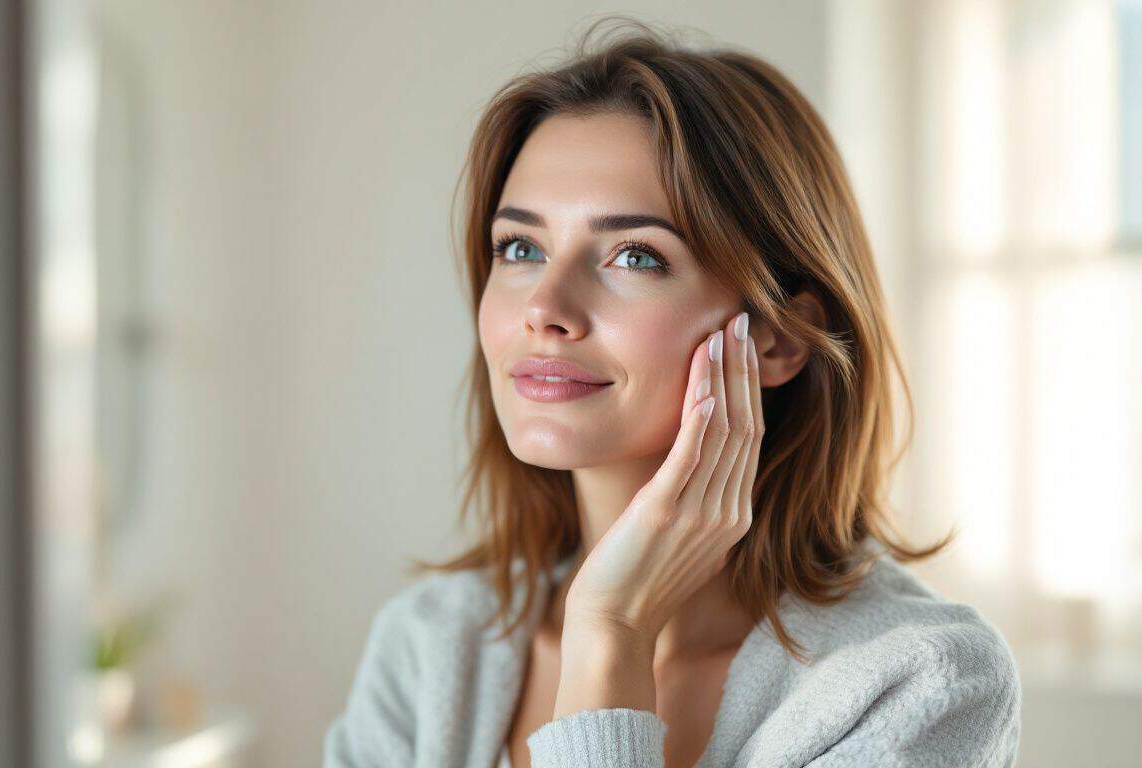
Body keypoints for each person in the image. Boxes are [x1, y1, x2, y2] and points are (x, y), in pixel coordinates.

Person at [324, 15, 1021, 768]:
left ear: (779, 338)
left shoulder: (921, 683)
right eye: (520, 247)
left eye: (634, 256)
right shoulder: (429, 645)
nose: (544, 309)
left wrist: (613, 633)